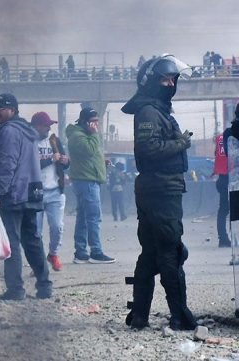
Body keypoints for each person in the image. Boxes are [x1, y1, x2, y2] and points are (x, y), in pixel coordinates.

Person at [121, 54, 197, 330]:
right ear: (152, 82)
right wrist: (180, 143)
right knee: (170, 251)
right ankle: (180, 316)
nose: (170, 84)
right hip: (161, 188)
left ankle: (139, 315)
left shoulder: (155, 110)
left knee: (152, 252)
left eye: (172, 79)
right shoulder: (150, 112)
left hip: (157, 188)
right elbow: (149, 150)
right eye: (165, 79)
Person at [0, 93, 52, 300]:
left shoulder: (9, 132)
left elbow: (7, 164)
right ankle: (44, 286)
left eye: (0, 108)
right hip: (31, 193)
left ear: (12, 110)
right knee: (33, 241)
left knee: (11, 242)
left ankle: (15, 289)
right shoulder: (28, 131)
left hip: (13, 194)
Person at [66, 107, 116, 264]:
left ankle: (80, 252)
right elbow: (88, 150)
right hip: (86, 181)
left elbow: (89, 157)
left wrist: (102, 162)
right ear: (85, 122)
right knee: (94, 217)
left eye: (97, 122)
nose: (96, 125)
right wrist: (95, 135)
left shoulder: (84, 135)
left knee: (83, 218)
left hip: (87, 179)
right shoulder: (77, 136)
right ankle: (96, 251)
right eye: (93, 122)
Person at [30, 112, 70, 271]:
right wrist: (50, 160)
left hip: (55, 190)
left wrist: (66, 161)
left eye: (49, 126)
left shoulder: (54, 141)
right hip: (36, 193)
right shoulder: (29, 143)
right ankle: (38, 264)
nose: (48, 128)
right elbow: (29, 166)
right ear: (36, 126)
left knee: (57, 226)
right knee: (35, 232)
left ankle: (53, 254)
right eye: (45, 125)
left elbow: (64, 162)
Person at [215, 118, 231, 248]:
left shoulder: (220, 138)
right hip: (233, 177)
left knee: (223, 210)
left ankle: (223, 238)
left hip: (222, 178)